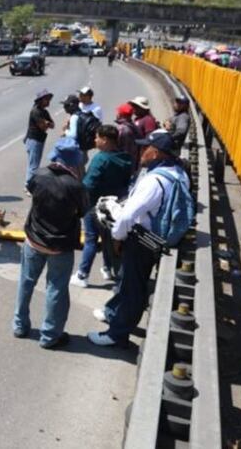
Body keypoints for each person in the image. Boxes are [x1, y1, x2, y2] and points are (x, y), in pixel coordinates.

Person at [89, 132, 191, 347]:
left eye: (145, 148)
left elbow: (127, 216)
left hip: (141, 240)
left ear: (155, 153)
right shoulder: (178, 172)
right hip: (156, 239)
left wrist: (117, 237)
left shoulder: (153, 181)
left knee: (132, 288)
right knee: (130, 282)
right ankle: (112, 312)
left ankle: (116, 335)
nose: (141, 152)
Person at [13, 138, 88, 348]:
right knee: (56, 289)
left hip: (33, 240)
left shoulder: (39, 175)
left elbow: (31, 191)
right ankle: (50, 336)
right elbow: (83, 211)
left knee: (26, 283)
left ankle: (19, 325)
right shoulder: (76, 186)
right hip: (60, 246)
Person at [72, 125, 134, 287]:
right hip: (115, 207)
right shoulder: (126, 158)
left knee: (91, 239)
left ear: (105, 140)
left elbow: (88, 185)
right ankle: (107, 269)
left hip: (95, 206)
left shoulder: (101, 159)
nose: (95, 140)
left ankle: (82, 275)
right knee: (107, 238)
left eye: (97, 137)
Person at [25, 90, 55, 188]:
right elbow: (43, 126)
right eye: (46, 99)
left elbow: (52, 125)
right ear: (40, 100)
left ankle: (28, 184)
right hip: (34, 140)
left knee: (32, 164)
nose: (48, 101)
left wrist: (47, 123)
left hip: (39, 139)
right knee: (34, 166)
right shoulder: (36, 111)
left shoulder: (44, 112)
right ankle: (29, 186)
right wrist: (46, 123)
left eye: (49, 99)